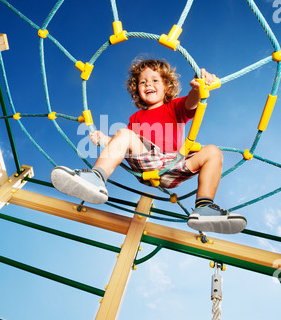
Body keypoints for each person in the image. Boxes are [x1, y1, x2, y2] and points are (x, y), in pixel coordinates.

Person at [51, 58, 247, 234]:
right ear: (136, 89)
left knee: (213, 151)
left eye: (155, 80)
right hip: (146, 162)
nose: (148, 84)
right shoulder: (136, 117)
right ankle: (96, 178)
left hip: (172, 165)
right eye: (142, 82)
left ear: (166, 86)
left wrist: (198, 86)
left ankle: (204, 207)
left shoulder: (174, 107)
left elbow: (192, 102)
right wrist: (104, 139)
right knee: (124, 134)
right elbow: (124, 144)